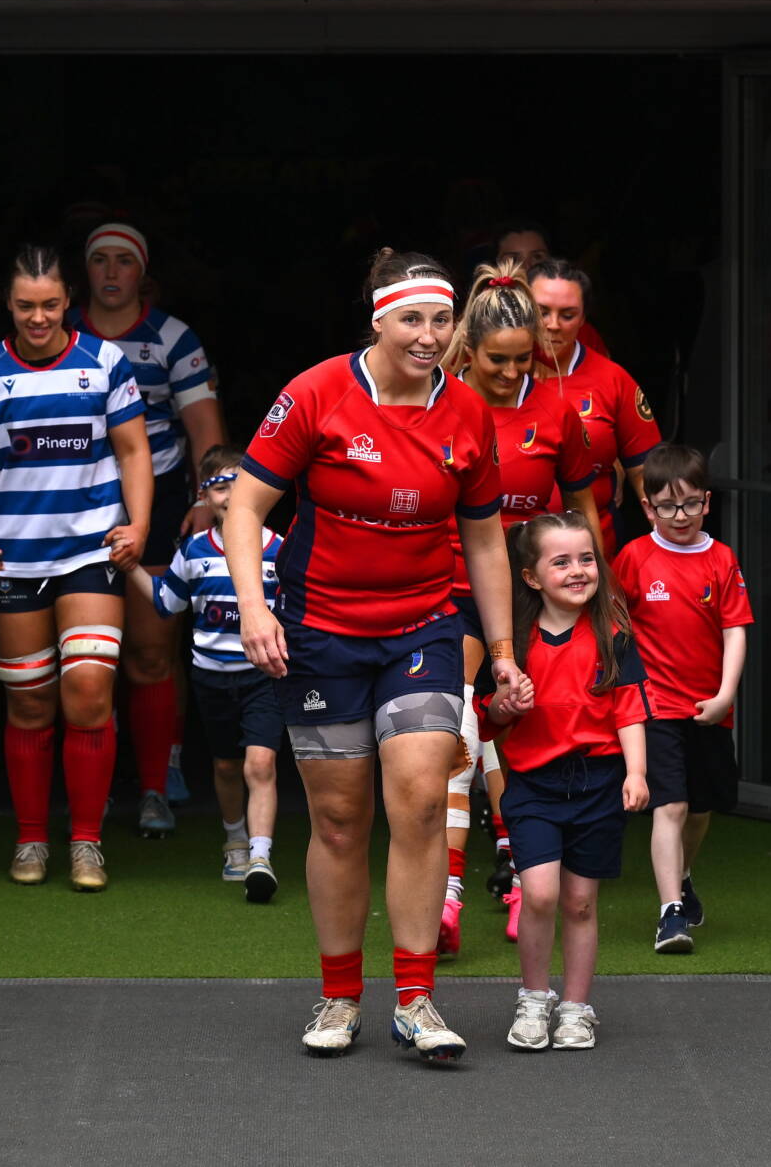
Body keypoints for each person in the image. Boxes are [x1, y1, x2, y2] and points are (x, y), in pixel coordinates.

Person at [224, 247, 525, 1066]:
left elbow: (486, 537)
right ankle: (338, 993)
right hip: (321, 631)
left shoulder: (465, 412)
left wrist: (500, 648)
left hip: (423, 628)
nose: (429, 336)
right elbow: (246, 506)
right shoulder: (316, 392)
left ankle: (417, 999)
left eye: (440, 320)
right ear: (377, 320)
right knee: (340, 818)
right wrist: (255, 610)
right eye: (412, 320)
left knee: (425, 797)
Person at [0, 244, 152, 890]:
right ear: (8, 305)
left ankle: (87, 842)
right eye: (24, 306)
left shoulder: (106, 362)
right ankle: (32, 839)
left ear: (69, 301)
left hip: (91, 551)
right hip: (13, 557)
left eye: (49, 305)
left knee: (90, 696)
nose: (37, 318)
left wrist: (139, 525)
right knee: (30, 706)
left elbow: (133, 450)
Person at [438, 260, 604, 955]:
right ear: (468, 354)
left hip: (532, 599)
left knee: (521, 730)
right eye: (497, 362)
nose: (511, 374)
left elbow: (585, 504)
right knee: (455, 736)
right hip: (449, 589)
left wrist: (600, 585)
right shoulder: (438, 401)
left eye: (523, 360)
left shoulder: (555, 409)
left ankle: (517, 877)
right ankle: (446, 897)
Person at [71, 219, 225, 836]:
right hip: (73, 500)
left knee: (150, 652)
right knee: (87, 655)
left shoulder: (172, 338)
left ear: (142, 272)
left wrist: (207, 502)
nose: (111, 272)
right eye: (100, 260)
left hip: (157, 500)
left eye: (123, 261)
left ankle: (157, 788)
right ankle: (97, 785)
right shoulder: (62, 331)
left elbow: (205, 429)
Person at [477, 512, 650, 1051]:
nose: (578, 570)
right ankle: (533, 999)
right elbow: (489, 717)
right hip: (531, 784)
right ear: (530, 576)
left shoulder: (614, 633)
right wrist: (506, 704)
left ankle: (576, 1008)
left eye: (586, 559)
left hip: (599, 781)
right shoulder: (513, 645)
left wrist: (638, 772)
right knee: (541, 893)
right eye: (562, 562)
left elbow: (629, 711)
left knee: (580, 901)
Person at [123, 445, 285, 901]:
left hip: (264, 678)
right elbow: (164, 602)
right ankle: (234, 838)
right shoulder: (192, 551)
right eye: (217, 484)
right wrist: (132, 566)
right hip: (210, 677)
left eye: (238, 480)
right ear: (203, 496)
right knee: (226, 765)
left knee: (261, 763)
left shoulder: (279, 549)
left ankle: (259, 855)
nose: (228, 492)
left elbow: (297, 615)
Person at [612, 443, 753, 954]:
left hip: (710, 707)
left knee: (700, 809)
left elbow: (736, 630)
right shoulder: (633, 558)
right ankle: (670, 913)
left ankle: (685, 874)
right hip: (655, 707)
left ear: (707, 502)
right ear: (647, 507)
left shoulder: (721, 558)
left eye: (690, 503)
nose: (680, 516)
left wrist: (724, 695)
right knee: (669, 807)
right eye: (667, 506)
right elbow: (612, 627)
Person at [528, 258, 661, 558]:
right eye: (542, 312)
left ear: (584, 317)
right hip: (509, 547)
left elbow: (646, 472)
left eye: (568, 315)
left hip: (592, 550)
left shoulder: (612, 379)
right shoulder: (495, 374)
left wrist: (669, 540)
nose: (552, 324)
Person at [496, 221, 608, 356]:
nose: (527, 267)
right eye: (513, 259)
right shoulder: (478, 324)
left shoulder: (579, 331)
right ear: (496, 265)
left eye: (537, 257)